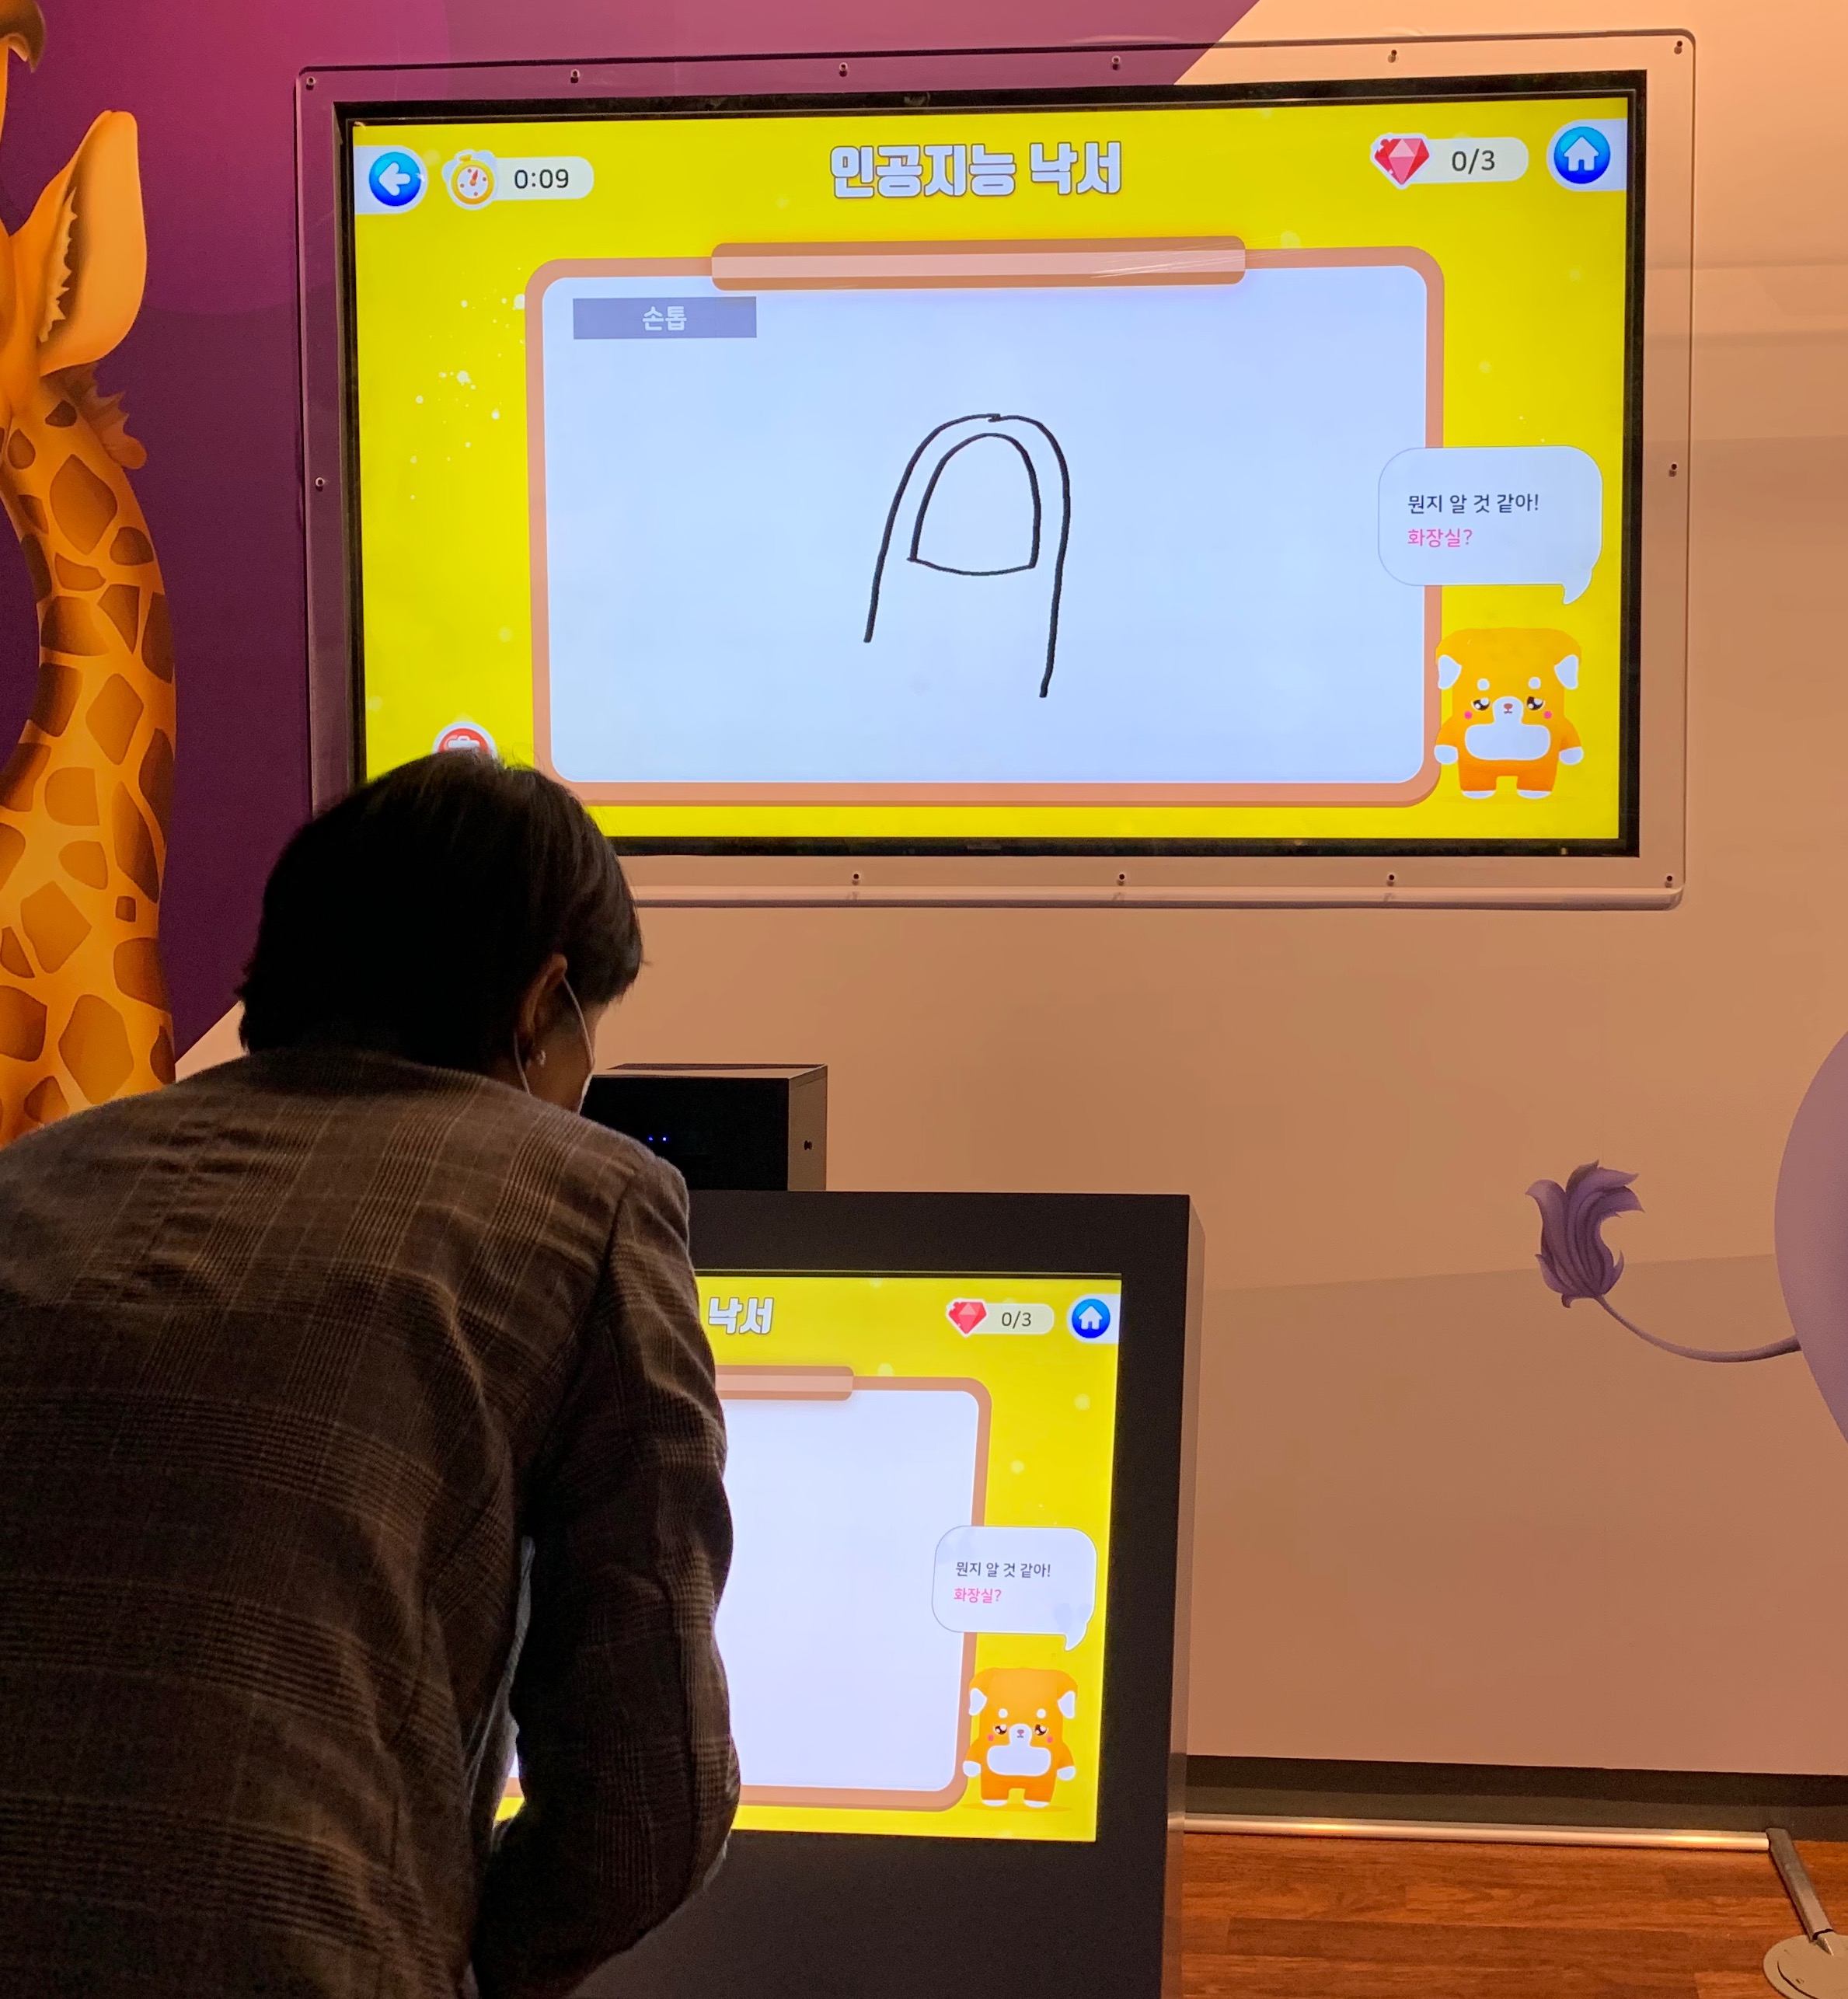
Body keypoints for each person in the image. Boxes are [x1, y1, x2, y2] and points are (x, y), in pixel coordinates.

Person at [0, 754, 737, 1999]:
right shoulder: (585, 1200)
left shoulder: (34, 1177)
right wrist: (446, 1950)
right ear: (540, 1004)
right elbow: (648, 1793)